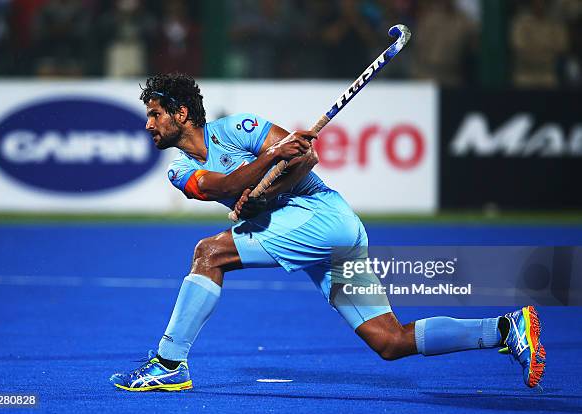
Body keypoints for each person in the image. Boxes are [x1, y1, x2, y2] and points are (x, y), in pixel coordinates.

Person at [109, 73, 546, 392]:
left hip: (322, 217)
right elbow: (223, 186)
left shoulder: (240, 127)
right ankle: (506, 330)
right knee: (389, 340)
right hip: (322, 235)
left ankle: (169, 362)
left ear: (180, 113)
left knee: (210, 252)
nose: (148, 125)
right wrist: (267, 167)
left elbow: (305, 160)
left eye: (155, 114)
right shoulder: (180, 169)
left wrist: (274, 173)